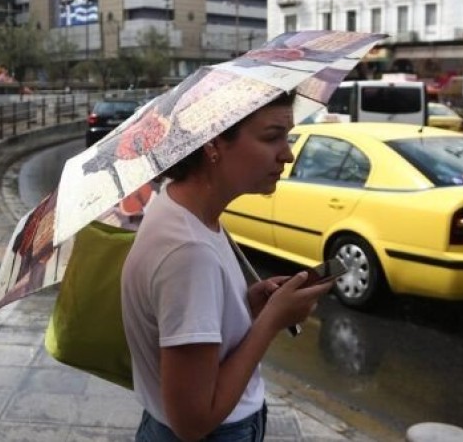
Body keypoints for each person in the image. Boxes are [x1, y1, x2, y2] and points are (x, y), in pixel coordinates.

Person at [121, 91, 334, 441]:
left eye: (288, 137)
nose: (288, 154)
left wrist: (248, 306)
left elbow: (192, 326)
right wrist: (270, 322)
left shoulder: (179, 205)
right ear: (214, 143)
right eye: (272, 137)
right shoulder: (188, 251)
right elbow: (193, 423)